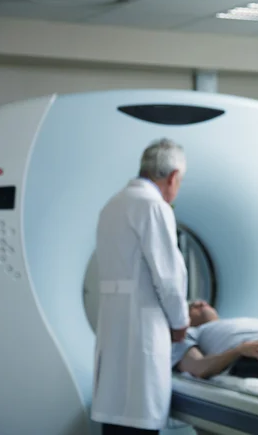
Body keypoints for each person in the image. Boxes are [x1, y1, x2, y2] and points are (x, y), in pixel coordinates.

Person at [91, 138, 190, 435]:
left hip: (113, 326)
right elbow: (169, 277)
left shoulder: (113, 204)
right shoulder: (153, 207)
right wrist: (180, 323)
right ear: (173, 176)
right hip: (144, 327)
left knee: (116, 416)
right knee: (139, 416)